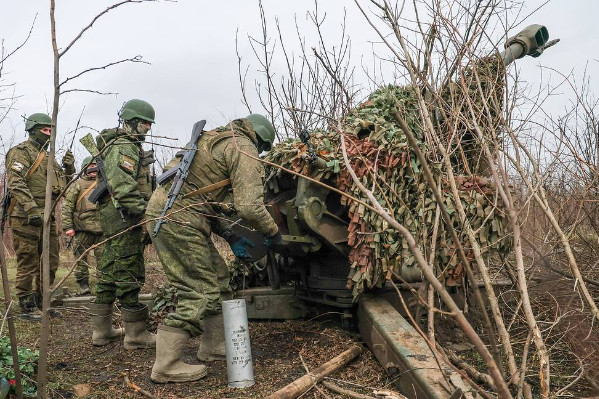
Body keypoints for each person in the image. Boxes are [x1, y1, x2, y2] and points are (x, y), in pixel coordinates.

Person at [146, 114, 283, 383]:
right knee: (199, 291)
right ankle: (166, 365)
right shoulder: (243, 147)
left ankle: (212, 345)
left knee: (220, 279)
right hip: (180, 220)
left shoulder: (213, 140)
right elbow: (250, 207)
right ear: (260, 138)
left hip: (178, 215)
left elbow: (205, 199)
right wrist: (274, 232)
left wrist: (230, 235)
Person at [89, 99, 155, 349]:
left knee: (109, 268)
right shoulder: (124, 146)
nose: (147, 128)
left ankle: (102, 332)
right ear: (131, 121)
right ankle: (135, 335)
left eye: (149, 124)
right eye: (144, 123)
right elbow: (124, 188)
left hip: (117, 215)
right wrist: (146, 213)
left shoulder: (126, 146)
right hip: (123, 216)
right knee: (130, 268)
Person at [6, 112, 75, 320]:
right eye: (45, 130)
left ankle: (41, 301)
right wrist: (31, 208)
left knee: (52, 261)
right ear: (34, 131)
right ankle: (26, 306)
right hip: (25, 216)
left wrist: (69, 167)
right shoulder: (21, 152)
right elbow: (15, 181)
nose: (49, 134)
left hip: (48, 218)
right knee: (29, 261)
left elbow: (64, 186)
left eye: (51, 130)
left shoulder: (50, 159)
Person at [61, 156, 103, 295]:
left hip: (101, 228)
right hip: (82, 228)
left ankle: (103, 286)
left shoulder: (104, 183)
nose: (93, 170)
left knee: (104, 259)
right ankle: (83, 285)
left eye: (95, 166)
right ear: (85, 169)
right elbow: (67, 207)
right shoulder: (77, 184)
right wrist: (68, 227)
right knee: (80, 260)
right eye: (89, 167)